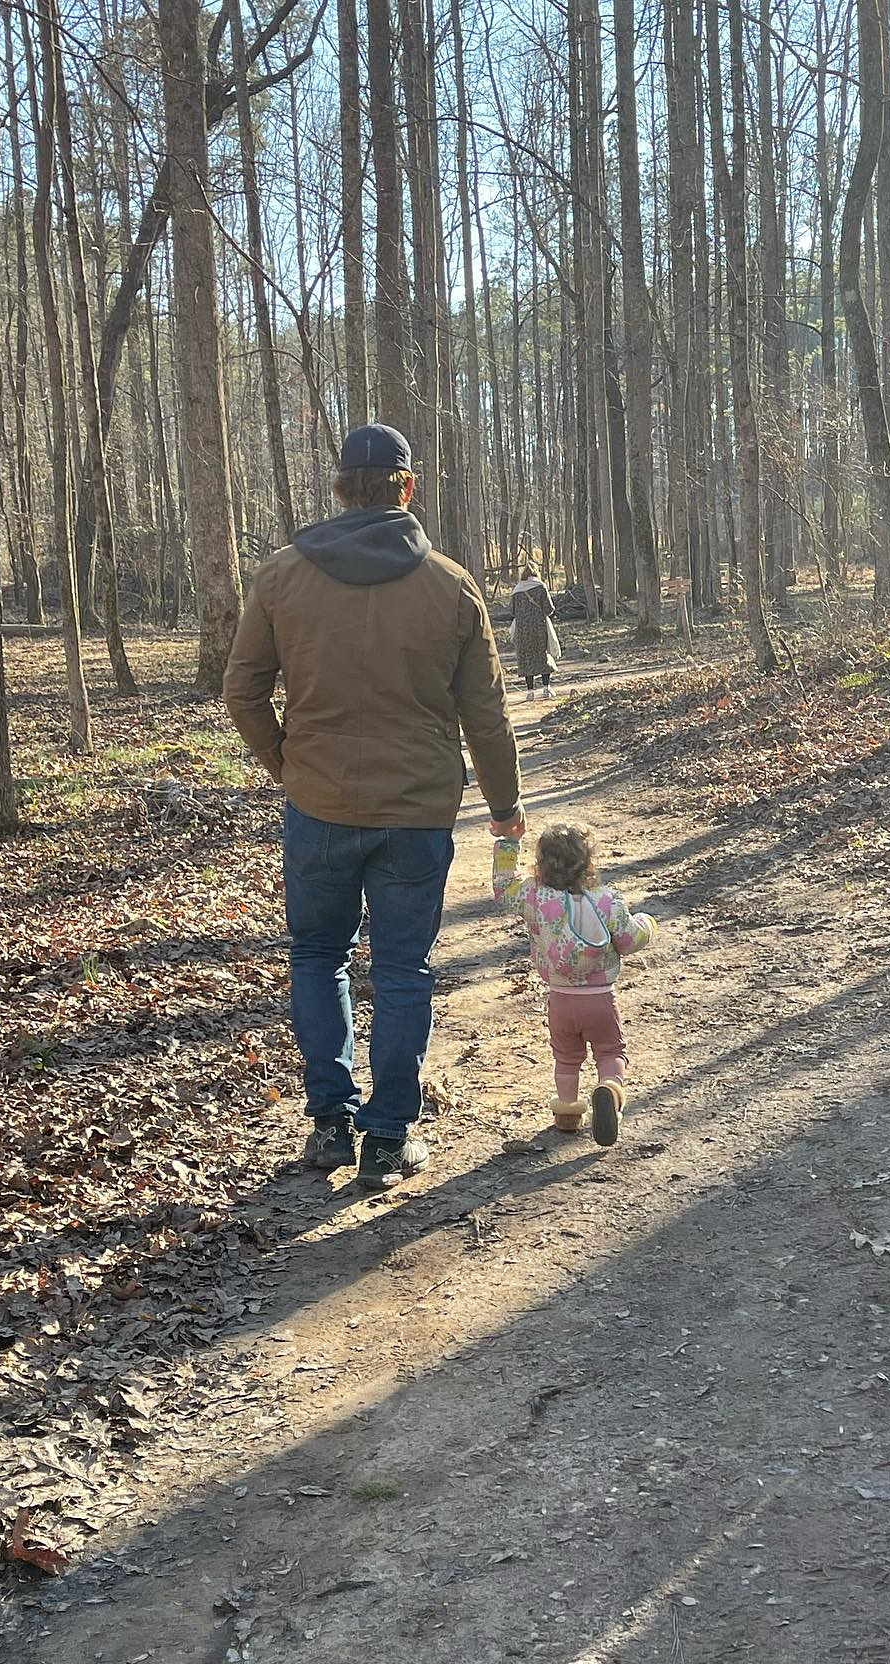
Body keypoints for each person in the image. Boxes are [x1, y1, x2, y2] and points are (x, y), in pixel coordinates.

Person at [224, 422, 524, 1191]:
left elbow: (242, 692)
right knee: (402, 969)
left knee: (318, 956)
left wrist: (290, 765)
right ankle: (387, 1139)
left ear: (339, 489)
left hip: (319, 803)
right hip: (416, 814)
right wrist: (504, 807)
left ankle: (329, 1125)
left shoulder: (282, 577)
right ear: (408, 487)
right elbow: (485, 715)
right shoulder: (453, 586)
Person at [492, 821, 656, 1147]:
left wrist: (508, 842)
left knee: (566, 1057)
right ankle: (609, 1089)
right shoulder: (607, 901)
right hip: (600, 999)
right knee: (610, 1051)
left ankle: (567, 1113)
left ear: (540, 864)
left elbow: (503, 887)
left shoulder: (534, 898)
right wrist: (647, 924)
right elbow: (628, 939)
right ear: (590, 863)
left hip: (560, 1000)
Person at [510, 563, 557, 700]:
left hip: (522, 629)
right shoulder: (540, 587)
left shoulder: (516, 590)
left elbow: (512, 612)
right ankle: (546, 688)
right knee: (542, 655)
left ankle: (530, 692)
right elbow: (549, 609)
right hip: (539, 627)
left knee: (526, 657)